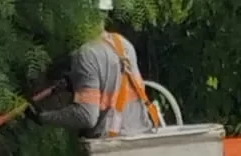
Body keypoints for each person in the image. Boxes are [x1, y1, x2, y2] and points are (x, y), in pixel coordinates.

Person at [28, 0, 160, 138]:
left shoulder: (86, 54)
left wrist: (43, 117)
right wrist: (76, 82)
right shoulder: (123, 44)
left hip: (112, 145)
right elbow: (113, 85)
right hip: (141, 135)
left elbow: (87, 116)